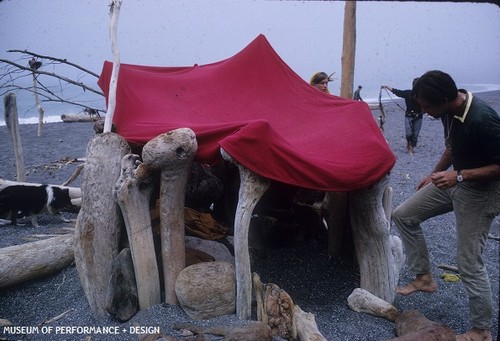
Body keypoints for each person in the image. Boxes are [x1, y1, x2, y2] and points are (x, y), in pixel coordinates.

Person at [391, 70, 500, 341]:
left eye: (427, 106)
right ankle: (424, 278)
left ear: (443, 99)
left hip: (481, 192)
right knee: (403, 214)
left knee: (469, 263)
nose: (425, 112)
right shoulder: (449, 111)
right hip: (455, 181)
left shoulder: (482, 118)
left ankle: (481, 330)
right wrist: (434, 173)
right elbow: (452, 148)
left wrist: (458, 175)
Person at [382, 79, 422, 155]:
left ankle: (411, 149)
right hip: (408, 116)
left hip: (419, 117)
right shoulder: (408, 93)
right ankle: (408, 142)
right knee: (409, 133)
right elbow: (397, 92)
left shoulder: (423, 96)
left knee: (415, 134)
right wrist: (387, 87)